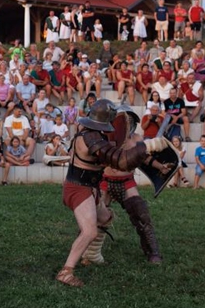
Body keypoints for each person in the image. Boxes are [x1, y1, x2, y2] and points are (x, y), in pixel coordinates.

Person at [57, 99, 169, 287]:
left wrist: (152, 158)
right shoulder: (92, 138)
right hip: (80, 188)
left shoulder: (94, 134)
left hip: (92, 186)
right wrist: (148, 146)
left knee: (106, 216)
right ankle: (66, 271)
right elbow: (119, 160)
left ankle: (92, 254)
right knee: (89, 230)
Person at [96, 105, 167, 265]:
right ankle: (90, 252)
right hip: (105, 181)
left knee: (141, 214)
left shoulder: (136, 140)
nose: (126, 124)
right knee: (96, 216)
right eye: (123, 120)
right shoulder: (106, 137)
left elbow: (145, 158)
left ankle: (153, 252)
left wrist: (160, 167)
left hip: (126, 181)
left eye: (128, 120)